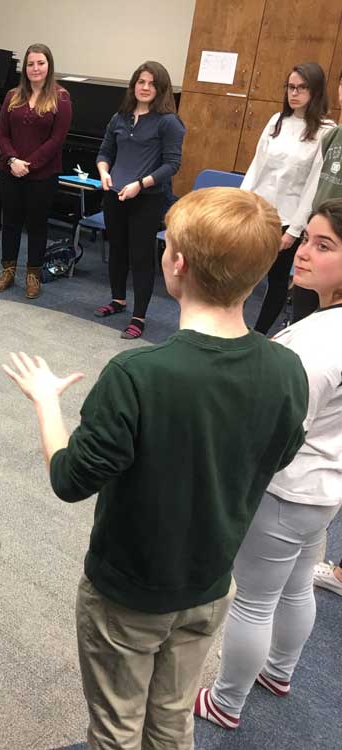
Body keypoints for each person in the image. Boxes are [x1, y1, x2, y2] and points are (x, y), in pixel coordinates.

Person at [2, 188, 308, 750]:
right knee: (171, 719)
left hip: (128, 591)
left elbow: (70, 479)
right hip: (210, 585)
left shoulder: (137, 374)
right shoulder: (287, 369)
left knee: (116, 729)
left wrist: (46, 402)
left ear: (177, 264)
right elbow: (280, 453)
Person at [195, 199, 342, 730]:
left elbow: (280, 428)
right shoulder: (326, 322)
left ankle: (225, 702)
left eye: (324, 246)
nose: (303, 254)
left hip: (288, 490)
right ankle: (280, 670)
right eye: (306, 240)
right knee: (298, 584)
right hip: (323, 489)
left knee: (254, 601)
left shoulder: (319, 344)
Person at [94, 61, 186, 339]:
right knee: (118, 250)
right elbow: (104, 152)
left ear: (161, 89)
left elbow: (172, 164)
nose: (145, 88)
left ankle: (139, 316)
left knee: (141, 257)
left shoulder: (169, 122)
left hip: (147, 199)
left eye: (152, 84)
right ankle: (118, 300)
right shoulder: (119, 118)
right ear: (133, 85)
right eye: (141, 82)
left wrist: (140, 184)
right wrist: (103, 172)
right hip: (115, 195)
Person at [242, 63, 333, 333]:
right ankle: (230, 328)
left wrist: (294, 231)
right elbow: (256, 167)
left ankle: (258, 335)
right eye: (291, 87)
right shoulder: (276, 120)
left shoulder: (326, 130)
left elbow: (314, 185)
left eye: (302, 88)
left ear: (315, 92)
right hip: (257, 213)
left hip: (288, 220)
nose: (294, 93)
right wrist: (239, 206)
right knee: (242, 276)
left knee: (277, 281)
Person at [0, 43, 72, 299]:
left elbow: (56, 140)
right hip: (11, 170)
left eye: (40, 63)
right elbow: (1, 133)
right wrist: (13, 160)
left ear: (49, 66)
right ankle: (8, 271)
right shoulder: (12, 96)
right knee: (11, 223)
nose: (35, 68)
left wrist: (29, 164)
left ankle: (33, 275)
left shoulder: (61, 98)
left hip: (42, 175)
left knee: (37, 225)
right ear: (24, 68)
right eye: (30, 64)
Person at [285, 68, 342, 322]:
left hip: (337, 244)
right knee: (303, 312)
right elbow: (315, 187)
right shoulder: (333, 136)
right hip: (319, 237)